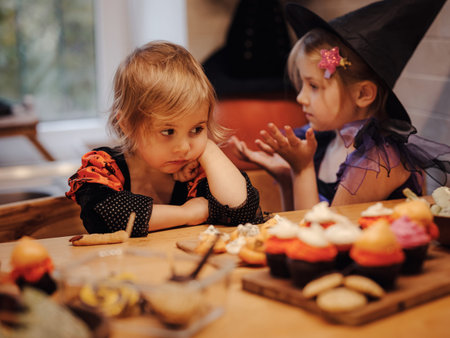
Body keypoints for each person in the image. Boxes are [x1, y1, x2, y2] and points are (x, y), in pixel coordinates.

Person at [230, 0, 450, 211]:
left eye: (314, 86)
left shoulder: (378, 161)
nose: (301, 98)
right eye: (302, 85)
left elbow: (321, 236)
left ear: (363, 94)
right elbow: (293, 224)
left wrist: (302, 169)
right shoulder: (328, 141)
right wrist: (287, 177)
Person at [66, 41, 262, 237]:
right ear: (127, 125)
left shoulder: (197, 171)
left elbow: (242, 211)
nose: (185, 147)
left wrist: (208, 148)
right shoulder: (104, 167)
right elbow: (107, 217)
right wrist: (187, 213)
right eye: (168, 132)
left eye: (197, 129)